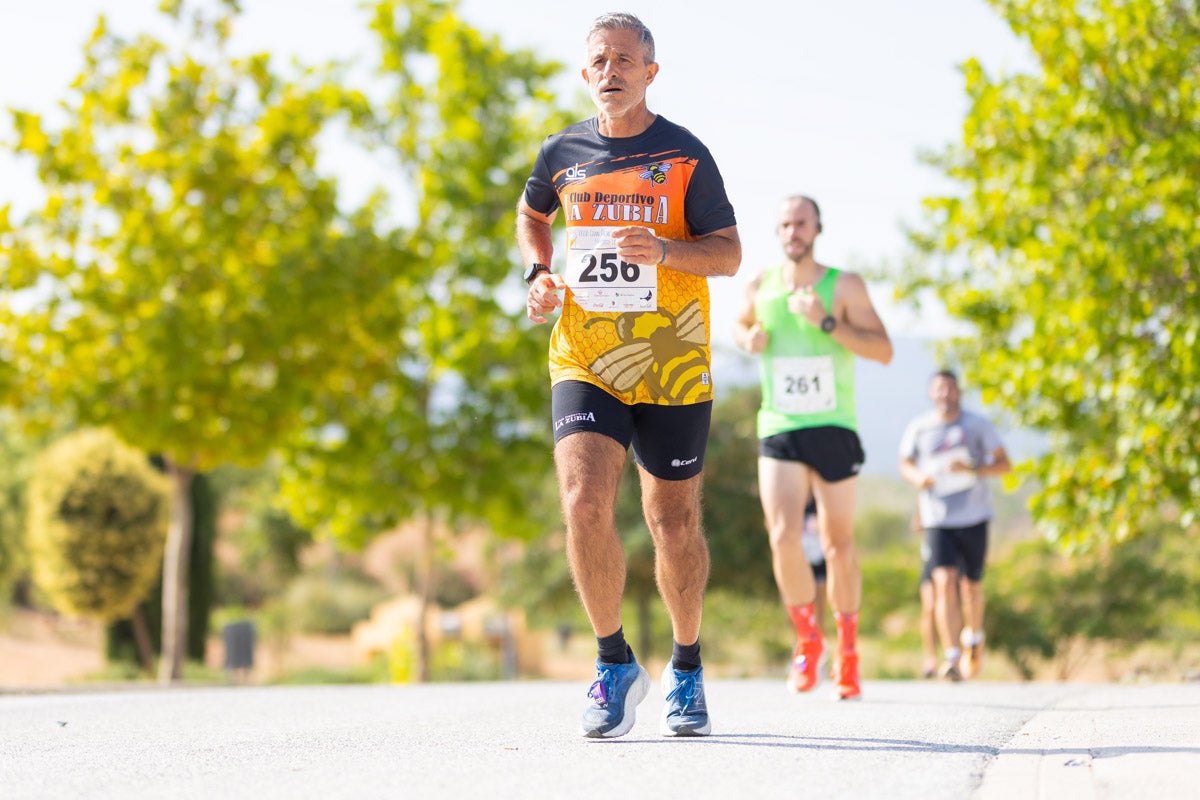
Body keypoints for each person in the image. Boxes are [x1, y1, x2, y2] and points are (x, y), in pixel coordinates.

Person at [517, 12, 740, 738]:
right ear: (585, 75)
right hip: (585, 353)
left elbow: (729, 253)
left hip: (671, 360)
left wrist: (666, 252)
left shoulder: (685, 154)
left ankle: (686, 666)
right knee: (583, 501)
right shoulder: (562, 152)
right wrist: (539, 274)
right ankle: (613, 662)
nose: (610, 70)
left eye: (624, 59)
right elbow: (531, 215)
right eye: (598, 60)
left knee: (672, 525)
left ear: (650, 72)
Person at [733, 195, 893, 700]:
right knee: (782, 536)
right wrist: (748, 339)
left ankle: (848, 652)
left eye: (801, 222)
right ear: (777, 231)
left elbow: (883, 351)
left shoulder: (842, 285)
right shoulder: (761, 285)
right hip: (779, 422)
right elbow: (741, 326)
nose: (792, 230)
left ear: (817, 228)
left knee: (837, 544)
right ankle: (808, 641)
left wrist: (828, 321)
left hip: (832, 425)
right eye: (784, 223)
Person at [899, 370, 1011, 681]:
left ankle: (973, 636)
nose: (945, 394)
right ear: (930, 393)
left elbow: (1005, 464)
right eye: (939, 389)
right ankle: (951, 657)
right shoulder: (920, 428)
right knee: (944, 582)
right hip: (936, 518)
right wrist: (918, 477)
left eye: (950, 389)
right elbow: (905, 463)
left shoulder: (977, 425)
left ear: (959, 392)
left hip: (973, 516)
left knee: (971, 588)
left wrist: (973, 467)